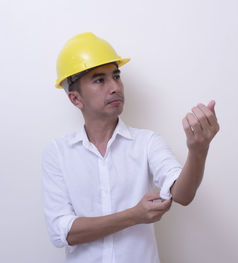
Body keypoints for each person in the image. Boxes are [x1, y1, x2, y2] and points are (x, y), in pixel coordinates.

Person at [41, 32, 220, 263]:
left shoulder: (147, 142)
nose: (115, 86)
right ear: (76, 99)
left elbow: (182, 195)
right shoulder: (57, 153)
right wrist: (133, 216)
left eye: (116, 76)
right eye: (100, 80)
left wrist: (198, 151)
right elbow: (62, 232)